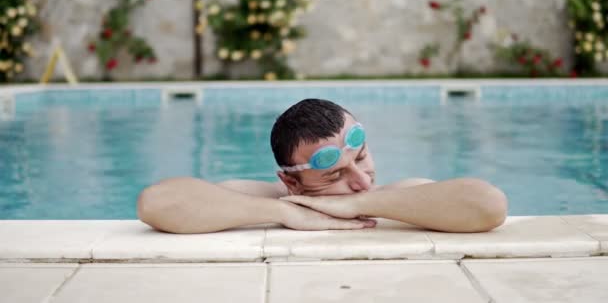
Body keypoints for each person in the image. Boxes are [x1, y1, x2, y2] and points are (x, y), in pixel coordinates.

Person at [137, 98, 508, 234]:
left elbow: (489, 206)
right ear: (292, 182)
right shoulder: (271, 199)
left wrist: (357, 205)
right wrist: (285, 213)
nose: (363, 181)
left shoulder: (399, 199)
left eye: (361, 159)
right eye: (334, 175)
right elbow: (156, 203)